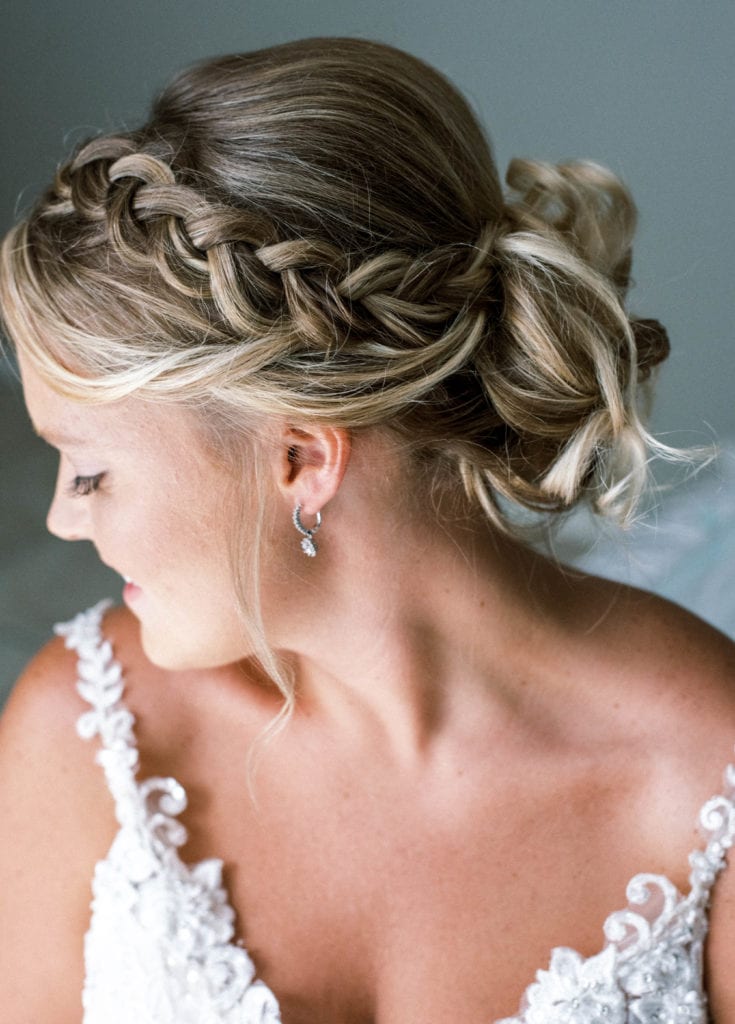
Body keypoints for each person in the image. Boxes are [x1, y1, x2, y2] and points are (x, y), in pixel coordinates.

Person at [0, 36, 733, 1024]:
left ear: (301, 458)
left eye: (91, 469)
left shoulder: (705, 783)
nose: (61, 516)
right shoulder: (82, 735)